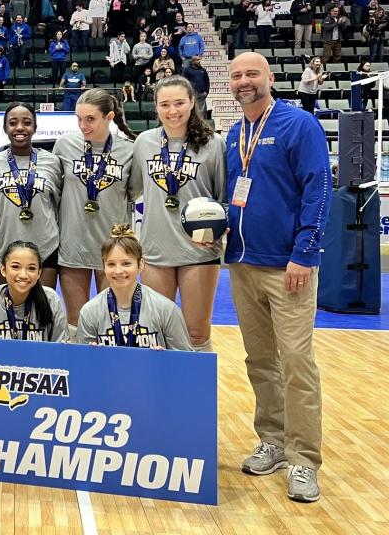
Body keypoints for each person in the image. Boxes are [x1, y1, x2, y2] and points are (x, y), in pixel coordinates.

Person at [225, 52, 331, 503]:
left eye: (252, 74)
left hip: (288, 267)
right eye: (236, 76)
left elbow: (319, 186)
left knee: (296, 363)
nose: (244, 81)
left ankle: (304, 460)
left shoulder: (298, 124)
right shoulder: (235, 133)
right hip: (243, 265)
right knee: (260, 360)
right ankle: (272, 439)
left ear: (270, 78)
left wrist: (305, 253)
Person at [130, 76, 225, 352]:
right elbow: (132, 189)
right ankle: (160, 395)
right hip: (155, 250)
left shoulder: (213, 143)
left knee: (196, 334)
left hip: (199, 251)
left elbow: (223, 199)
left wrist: (217, 232)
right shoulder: (145, 142)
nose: (173, 111)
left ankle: (196, 395)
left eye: (180, 103)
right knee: (157, 334)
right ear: (156, 108)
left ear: (193, 103)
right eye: (165, 104)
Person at [53, 89, 136, 333]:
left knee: (113, 324)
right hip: (73, 246)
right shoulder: (65, 145)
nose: (82, 125)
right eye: (79, 119)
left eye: (90, 119)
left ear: (109, 117)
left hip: (114, 251)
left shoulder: (129, 151)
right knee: (76, 325)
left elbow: (132, 192)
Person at [76, 225, 193, 350]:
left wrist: (163, 361)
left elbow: (185, 363)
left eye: (126, 263)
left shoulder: (166, 310)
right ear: (104, 267)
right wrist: (92, 357)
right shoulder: (90, 312)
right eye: (111, 264)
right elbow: (82, 365)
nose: (118, 270)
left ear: (140, 264)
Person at [0, 103, 63, 288]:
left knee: (44, 309)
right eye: (13, 123)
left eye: (27, 122)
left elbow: (59, 204)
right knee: (11, 311)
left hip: (46, 247)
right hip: (7, 248)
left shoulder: (52, 162)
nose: (20, 127)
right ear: (5, 128)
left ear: (35, 127)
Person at [0, 240, 69, 341]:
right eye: (15, 267)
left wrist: (64, 346)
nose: (23, 275)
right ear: (3, 270)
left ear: (39, 273)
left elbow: (60, 350)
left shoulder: (51, 301)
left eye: (31, 268)